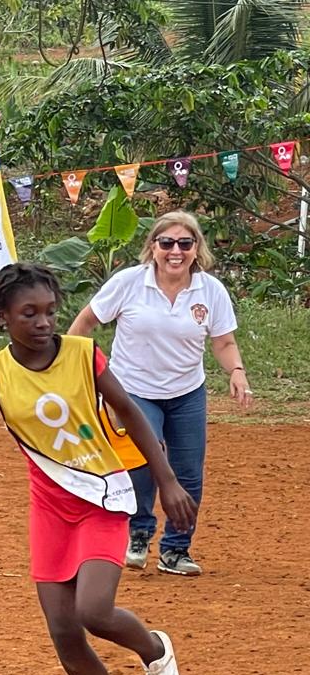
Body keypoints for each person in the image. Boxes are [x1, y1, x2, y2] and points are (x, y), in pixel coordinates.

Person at [0, 263, 196, 675]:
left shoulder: (84, 353)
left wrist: (168, 481)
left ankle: (153, 648)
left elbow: (130, 413)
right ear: (2, 316)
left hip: (104, 497)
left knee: (93, 611)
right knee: (65, 633)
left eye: (49, 311)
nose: (44, 322)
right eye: (30, 313)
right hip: (50, 510)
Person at [69, 211, 251, 577]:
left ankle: (176, 550)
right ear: (152, 247)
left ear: (197, 249)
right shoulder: (129, 283)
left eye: (185, 243)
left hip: (187, 393)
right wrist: (73, 368)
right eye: (166, 242)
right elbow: (86, 322)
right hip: (132, 391)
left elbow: (224, 341)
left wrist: (236, 371)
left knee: (188, 473)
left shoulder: (210, 291)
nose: (175, 251)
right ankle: (138, 535)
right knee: (142, 462)